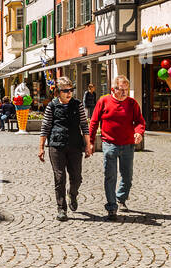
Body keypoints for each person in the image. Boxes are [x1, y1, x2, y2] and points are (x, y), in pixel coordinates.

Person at [87, 75, 146, 220]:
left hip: (127, 145)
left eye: (127, 89)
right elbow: (94, 122)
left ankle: (121, 198)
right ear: (113, 89)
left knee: (127, 177)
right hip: (109, 144)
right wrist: (90, 142)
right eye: (121, 89)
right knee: (110, 176)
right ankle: (112, 207)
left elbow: (140, 121)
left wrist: (139, 132)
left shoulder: (132, 103)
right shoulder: (103, 101)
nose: (125, 93)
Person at [38, 78, 89, 220]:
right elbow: (45, 127)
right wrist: (41, 147)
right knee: (59, 177)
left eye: (71, 90)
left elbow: (84, 125)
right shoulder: (52, 106)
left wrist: (88, 145)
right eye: (65, 91)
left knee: (77, 177)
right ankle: (61, 208)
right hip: (56, 145)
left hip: (75, 145)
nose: (69, 93)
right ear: (58, 92)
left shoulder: (77, 105)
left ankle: (72, 194)